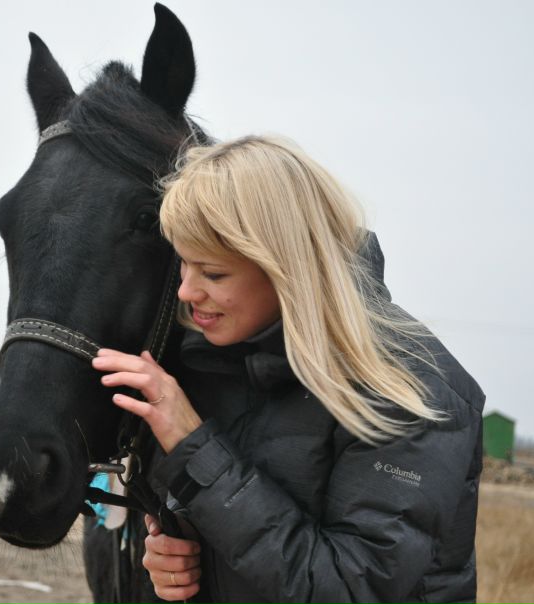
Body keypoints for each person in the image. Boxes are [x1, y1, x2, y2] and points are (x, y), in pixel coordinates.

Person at [91, 135, 484, 603]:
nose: (186, 292)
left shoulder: (412, 389)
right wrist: (175, 562)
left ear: (286, 267)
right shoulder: (211, 362)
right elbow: (234, 535)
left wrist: (195, 448)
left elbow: (355, 589)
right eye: (184, 266)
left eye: (213, 273)